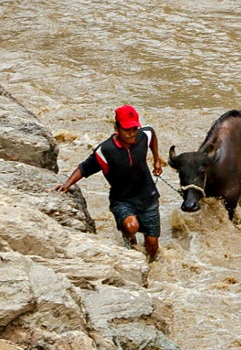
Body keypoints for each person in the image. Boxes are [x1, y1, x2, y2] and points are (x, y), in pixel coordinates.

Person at [56, 105, 164, 261]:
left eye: (134, 128)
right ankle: (129, 239)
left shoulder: (143, 136)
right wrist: (67, 184)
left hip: (148, 196)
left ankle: (150, 263)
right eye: (127, 130)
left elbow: (152, 134)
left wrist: (157, 160)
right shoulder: (106, 151)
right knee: (131, 226)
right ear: (117, 128)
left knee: (152, 246)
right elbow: (84, 168)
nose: (132, 133)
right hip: (123, 200)